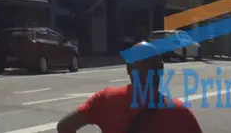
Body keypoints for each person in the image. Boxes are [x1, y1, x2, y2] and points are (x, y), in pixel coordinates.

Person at [56, 41, 202, 133]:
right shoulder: (180, 113)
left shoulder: (106, 99)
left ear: (128, 70)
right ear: (161, 69)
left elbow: (64, 126)